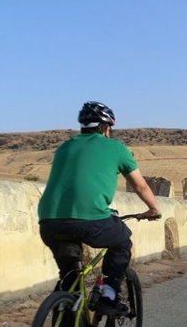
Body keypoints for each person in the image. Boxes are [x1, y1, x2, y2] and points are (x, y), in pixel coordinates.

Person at [38, 101, 161, 315]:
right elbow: (140, 185)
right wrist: (154, 209)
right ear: (106, 128)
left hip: (49, 221)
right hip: (90, 220)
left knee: (70, 280)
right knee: (122, 242)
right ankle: (109, 295)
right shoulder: (115, 148)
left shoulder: (64, 147)